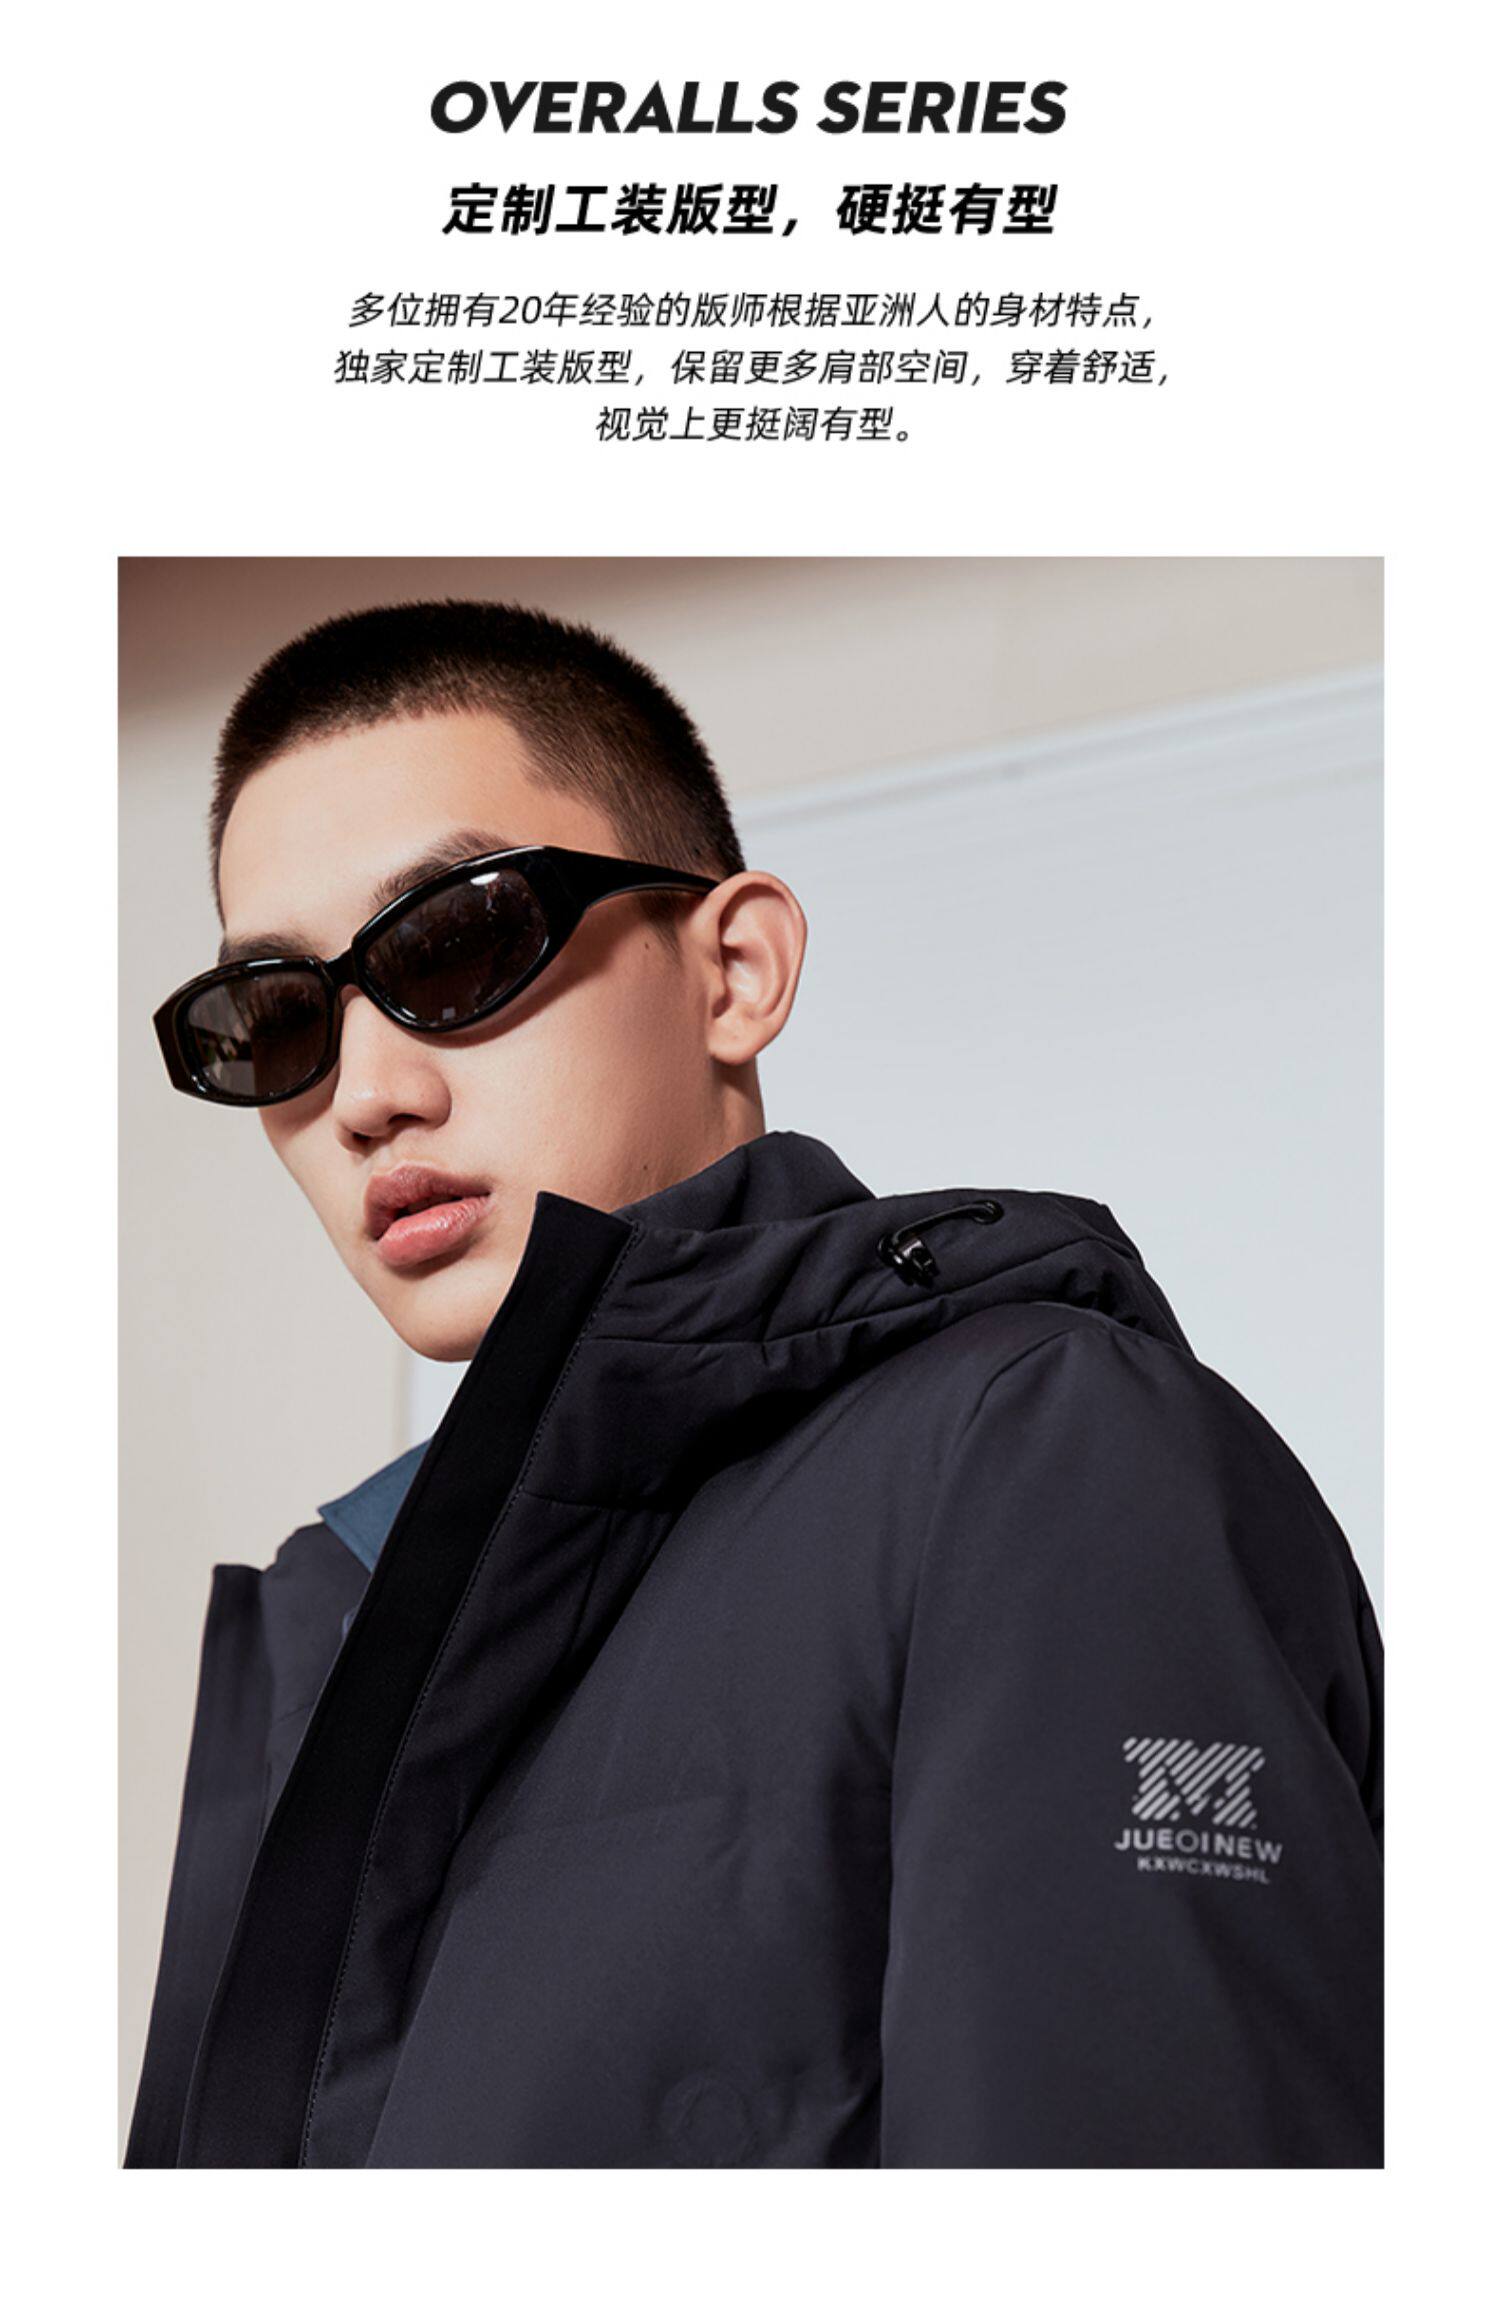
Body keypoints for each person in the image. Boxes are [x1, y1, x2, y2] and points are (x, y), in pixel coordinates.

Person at [127, 598, 1384, 2169]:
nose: (366, 1095)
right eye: (280, 1019)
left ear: (736, 969)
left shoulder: (1037, 1459)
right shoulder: (344, 1609)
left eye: (456, 942)